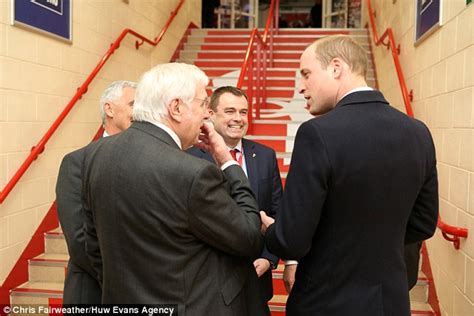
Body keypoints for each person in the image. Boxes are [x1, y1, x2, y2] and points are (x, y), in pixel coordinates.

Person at [260, 35, 439, 315]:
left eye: (306, 74)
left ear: (336, 67)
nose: (301, 88)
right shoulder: (419, 133)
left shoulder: (316, 134)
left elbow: (291, 240)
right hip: (388, 303)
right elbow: (424, 224)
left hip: (326, 303)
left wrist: (269, 229)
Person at [82, 63, 266, 314]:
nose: (206, 115)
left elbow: (93, 245)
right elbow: (248, 237)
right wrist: (227, 162)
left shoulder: (95, 155)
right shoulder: (193, 173)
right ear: (176, 108)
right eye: (203, 104)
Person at [188, 86, 283, 310]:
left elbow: (277, 212)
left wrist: (268, 259)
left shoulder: (265, 155)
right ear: (210, 114)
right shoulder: (190, 157)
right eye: (230, 111)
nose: (238, 119)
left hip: (256, 280)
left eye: (243, 112)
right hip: (210, 284)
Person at [56, 80, 136, 305]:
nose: (140, 112)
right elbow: (80, 240)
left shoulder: (152, 160)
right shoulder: (76, 163)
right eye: (133, 104)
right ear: (109, 109)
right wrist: (128, 283)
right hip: (93, 292)